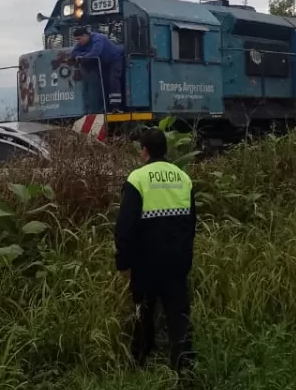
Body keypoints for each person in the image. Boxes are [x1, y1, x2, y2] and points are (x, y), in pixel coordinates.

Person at [114, 126, 196, 372]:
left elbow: (125, 227)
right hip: (177, 263)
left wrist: (124, 262)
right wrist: (185, 257)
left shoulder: (137, 179)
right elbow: (191, 224)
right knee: (178, 317)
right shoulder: (183, 178)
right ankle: (185, 369)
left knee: (143, 314)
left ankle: (139, 364)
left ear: (144, 151)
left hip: (146, 264)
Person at [69, 26, 125, 111]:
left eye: (79, 39)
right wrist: (83, 55)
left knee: (113, 80)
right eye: (76, 40)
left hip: (115, 59)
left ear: (85, 36)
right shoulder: (82, 43)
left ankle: (116, 106)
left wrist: (82, 57)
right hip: (104, 63)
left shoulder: (98, 39)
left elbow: (95, 53)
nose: (78, 42)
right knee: (104, 82)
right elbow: (74, 53)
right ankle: (106, 106)